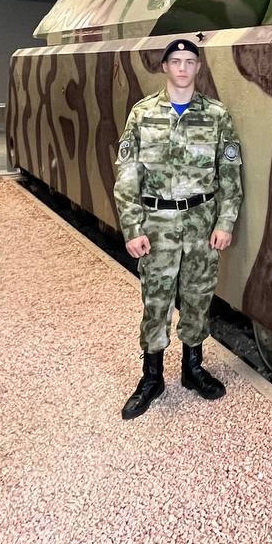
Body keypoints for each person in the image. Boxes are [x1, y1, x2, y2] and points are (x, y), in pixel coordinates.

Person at [113, 38, 244, 419]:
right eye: (175, 61)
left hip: (202, 223)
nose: (183, 68)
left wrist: (225, 222)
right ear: (165, 67)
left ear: (198, 67)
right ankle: (152, 377)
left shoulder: (216, 115)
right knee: (156, 300)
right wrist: (133, 227)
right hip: (157, 225)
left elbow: (230, 175)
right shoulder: (142, 114)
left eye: (189, 61)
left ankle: (193, 368)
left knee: (198, 296)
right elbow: (127, 174)